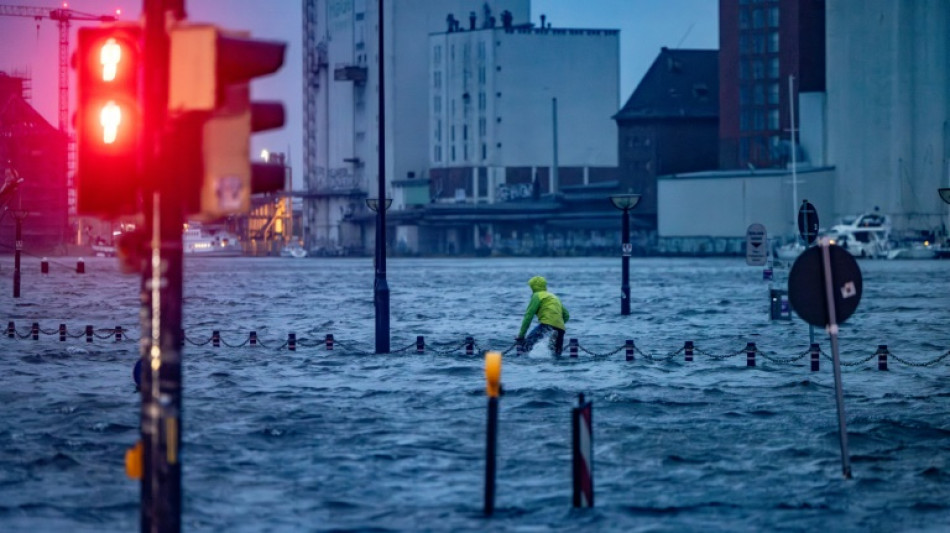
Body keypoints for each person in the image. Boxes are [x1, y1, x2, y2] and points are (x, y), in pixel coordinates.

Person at [516, 276, 569, 355]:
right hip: (561, 328)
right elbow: (566, 315)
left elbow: (528, 316)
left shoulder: (536, 295)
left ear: (533, 287)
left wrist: (521, 335)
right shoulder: (554, 297)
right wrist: (557, 325)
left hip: (546, 324)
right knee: (556, 354)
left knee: (526, 346)